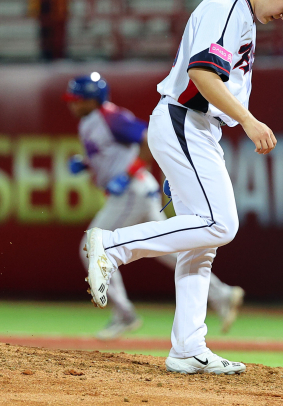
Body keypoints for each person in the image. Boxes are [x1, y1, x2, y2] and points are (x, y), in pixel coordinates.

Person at [83, 0, 283, 375]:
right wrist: (248, 120)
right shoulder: (228, 7)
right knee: (221, 224)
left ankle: (188, 347)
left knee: (202, 242)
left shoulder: (241, 13)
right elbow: (202, 74)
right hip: (183, 120)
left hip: (197, 128)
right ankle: (112, 246)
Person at [64, 73, 245, 341]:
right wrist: (88, 163)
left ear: (93, 100)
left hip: (131, 190)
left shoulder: (110, 116)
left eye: (79, 99)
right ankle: (222, 294)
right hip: (135, 190)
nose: (73, 104)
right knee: (168, 246)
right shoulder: (90, 121)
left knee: (91, 247)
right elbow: (111, 152)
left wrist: (128, 172)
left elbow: (147, 137)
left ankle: (124, 315)